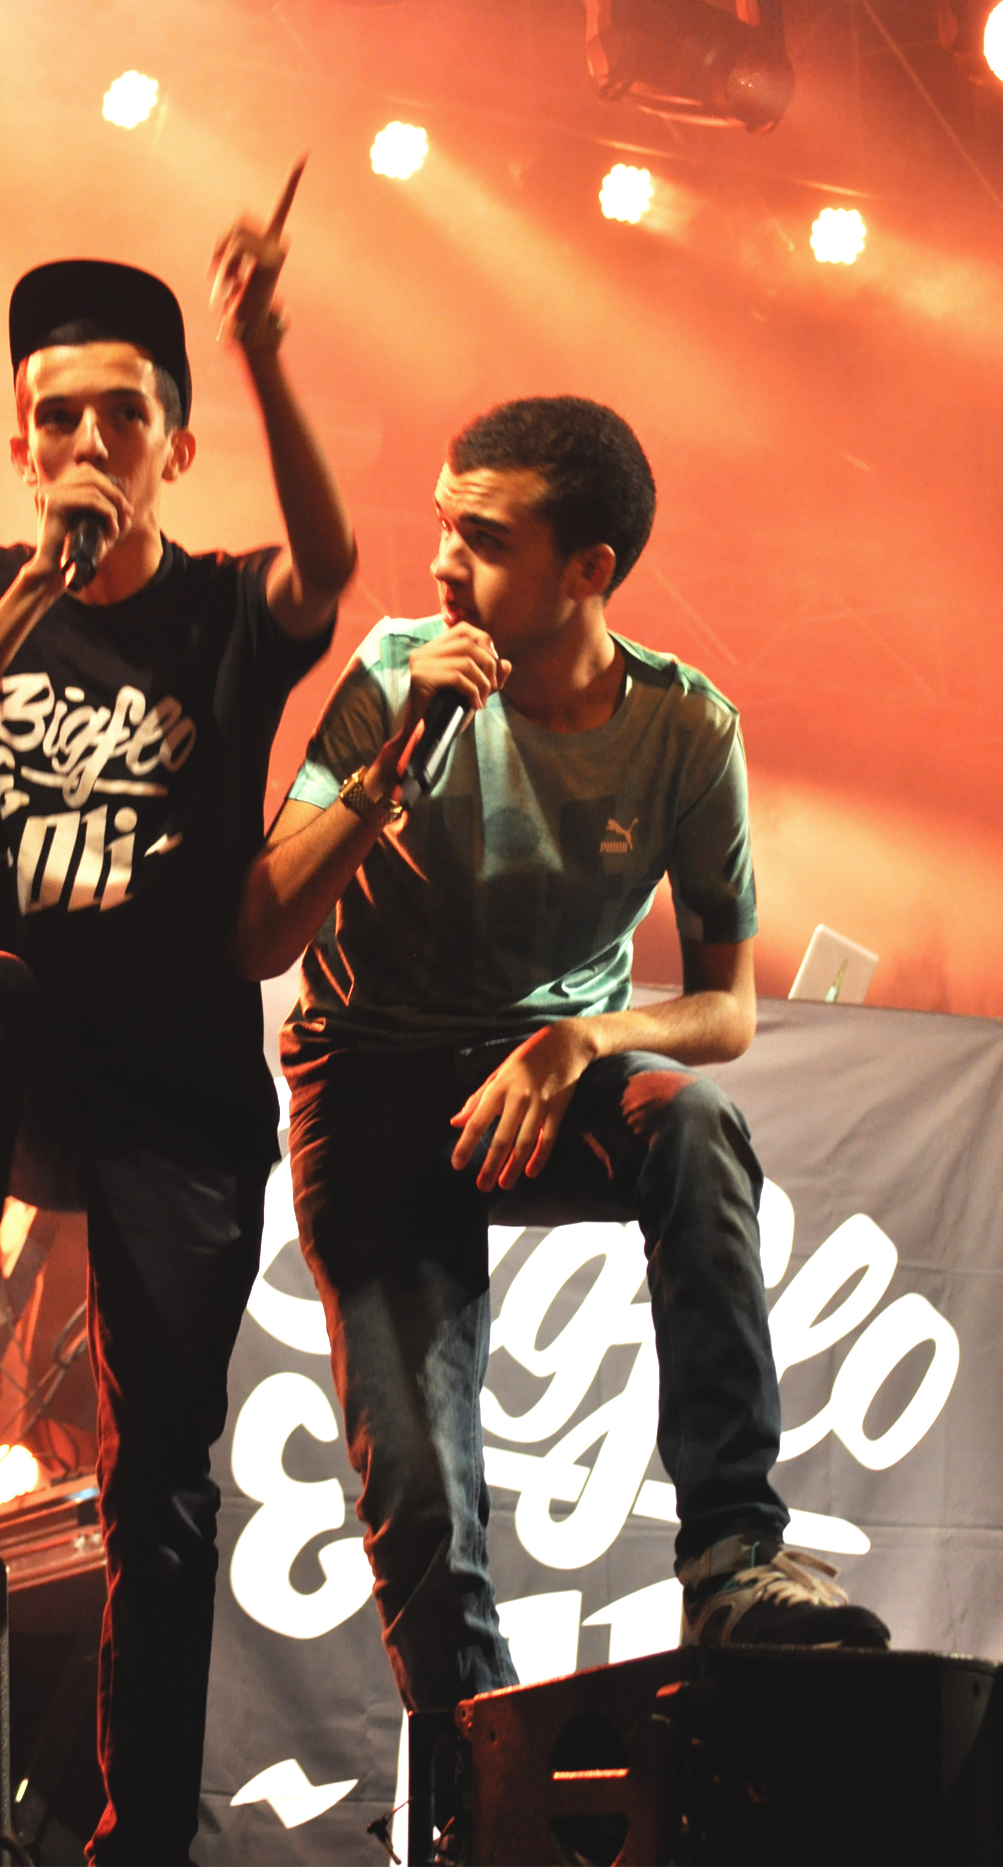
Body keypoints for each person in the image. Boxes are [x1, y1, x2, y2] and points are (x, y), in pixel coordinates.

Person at [0, 185, 356, 1864]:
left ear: (178, 446)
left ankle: (143, 1841)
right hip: (32, 1066)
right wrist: (38, 593)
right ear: (20, 444)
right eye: (58, 418)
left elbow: (331, 567)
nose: (88, 441)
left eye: (122, 415)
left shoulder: (227, 608)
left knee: (166, 1488)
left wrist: (262, 349)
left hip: (183, 1094)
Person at [235, 395, 889, 1718]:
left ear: (589, 569)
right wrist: (386, 769)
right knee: (422, 1503)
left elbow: (725, 1010)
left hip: (550, 1069)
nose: (442, 565)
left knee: (691, 1122)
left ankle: (733, 1558)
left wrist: (583, 1036)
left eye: (484, 541)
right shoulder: (397, 672)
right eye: (442, 527)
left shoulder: (686, 729)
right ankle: (484, 1786)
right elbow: (260, 934)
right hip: (369, 1077)